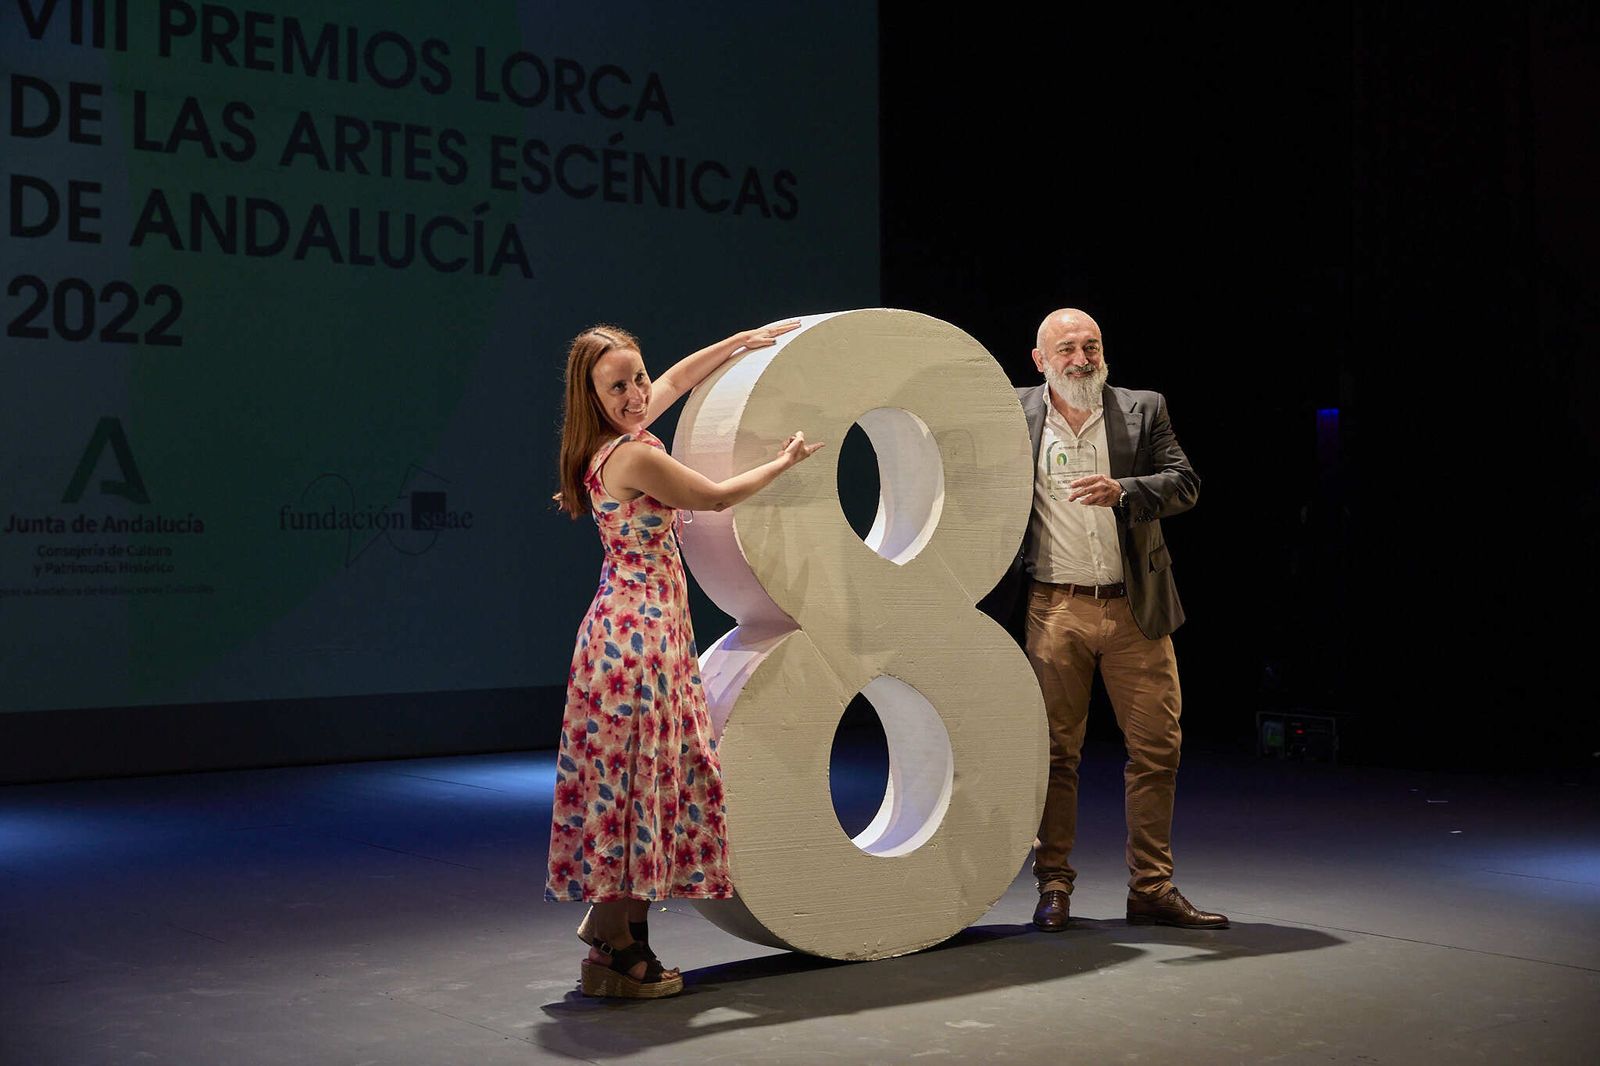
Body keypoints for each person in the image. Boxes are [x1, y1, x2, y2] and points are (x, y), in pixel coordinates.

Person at [546, 320, 822, 998]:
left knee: (634, 786)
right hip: (638, 641)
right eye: (620, 386)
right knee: (642, 789)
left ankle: (612, 928)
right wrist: (785, 462)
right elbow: (716, 496)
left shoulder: (614, 443)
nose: (638, 393)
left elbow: (673, 381)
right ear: (593, 397)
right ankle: (621, 947)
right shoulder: (632, 459)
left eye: (637, 377)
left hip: (635, 631)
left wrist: (738, 341)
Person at [1018, 308, 1227, 932]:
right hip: (1055, 607)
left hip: (1136, 607)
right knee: (1055, 754)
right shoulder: (1013, 413)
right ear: (1040, 360)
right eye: (1067, 349)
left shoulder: (1143, 407)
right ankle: (1053, 884)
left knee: (1157, 750)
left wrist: (1126, 491)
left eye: (1092, 345)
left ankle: (1151, 888)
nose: (1082, 358)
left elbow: (1185, 483)